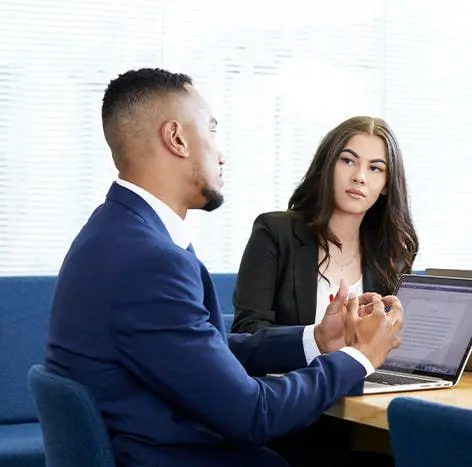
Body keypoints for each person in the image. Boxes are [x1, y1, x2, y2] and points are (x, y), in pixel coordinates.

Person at [44, 68, 403, 467]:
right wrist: (359, 357)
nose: (221, 152)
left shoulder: (117, 232)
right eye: (211, 130)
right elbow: (254, 415)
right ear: (177, 138)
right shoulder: (148, 258)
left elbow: (202, 348)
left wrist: (316, 339)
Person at [232, 116, 418, 333]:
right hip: (295, 368)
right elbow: (247, 333)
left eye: (375, 168)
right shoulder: (274, 233)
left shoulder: (389, 254)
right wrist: (317, 339)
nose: (359, 177)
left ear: (386, 185)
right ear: (326, 165)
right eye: (348, 161)